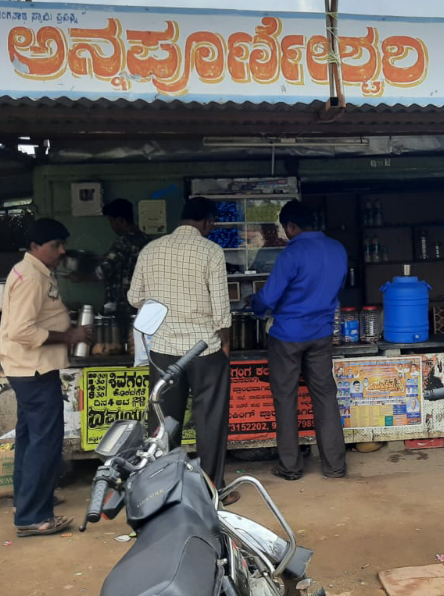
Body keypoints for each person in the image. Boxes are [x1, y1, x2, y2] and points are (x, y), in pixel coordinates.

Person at [127, 197, 238, 503]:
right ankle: (212, 490)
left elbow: (134, 297)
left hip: (163, 350)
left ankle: (164, 489)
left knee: (164, 422)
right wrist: (225, 343)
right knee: (210, 420)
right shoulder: (211, 251)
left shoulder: (150, 250)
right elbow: (221, 309)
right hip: (204, 350)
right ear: (208, 222)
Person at [0, 218, 90, 537]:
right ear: (36, 247)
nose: (61, 251)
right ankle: (34, 516)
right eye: (55, 245)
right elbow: (21, 331)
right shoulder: (30, 278)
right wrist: (69, 336)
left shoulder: (35, 272)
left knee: (29, 440)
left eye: (62, 245)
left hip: (30, 368)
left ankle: (27, 505)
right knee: (44, 443)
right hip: (32, 369)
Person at [251, 200, 348, 481]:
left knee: (285, 398)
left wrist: (254, 305)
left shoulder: (292, 254)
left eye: (285, 228)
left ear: (291, 226)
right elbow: (337, 287)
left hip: (287, 336)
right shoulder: (337, 249)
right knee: (326, 396)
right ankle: (334, 467)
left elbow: (268, 298)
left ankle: (290, 467)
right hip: (321, 334)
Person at [69, 198, 149, 338]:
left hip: (121, 305)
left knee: (119, 340)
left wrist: (79, 277)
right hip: (142, 304)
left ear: (121, 220)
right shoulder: (145, 239)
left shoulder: (122, 241)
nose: (112, 225)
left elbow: (103, 271)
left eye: (112, 221)